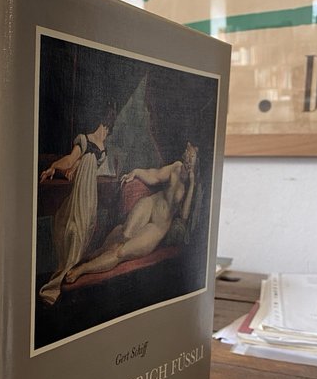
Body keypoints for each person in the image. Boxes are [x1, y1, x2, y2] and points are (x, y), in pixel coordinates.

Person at [65, 141, 198, 283]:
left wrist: (191, 184)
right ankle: (97, 253)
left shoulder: (191, 184)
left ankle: (83, 269)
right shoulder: (176, 166)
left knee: (121, 252)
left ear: (197, 162)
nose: (188, 159)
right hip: (150, 204)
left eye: (192, 157)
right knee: (125, 234)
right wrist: (136, 172)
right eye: (188, 154)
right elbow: (155, 176)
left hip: (158, 226)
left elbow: (184, 215)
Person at [39, 107, 116, 305]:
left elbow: (91, 167)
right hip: (80, 193)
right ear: (105, 125)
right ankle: (58, 284)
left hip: (91, 196)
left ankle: (71, 278)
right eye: (108, 129)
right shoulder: (84, 139)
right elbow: (70, 160)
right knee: (75, 231)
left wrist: (77, 166)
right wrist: (54, 167)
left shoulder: (104, 150)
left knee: (85, 230)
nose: (107, 134)